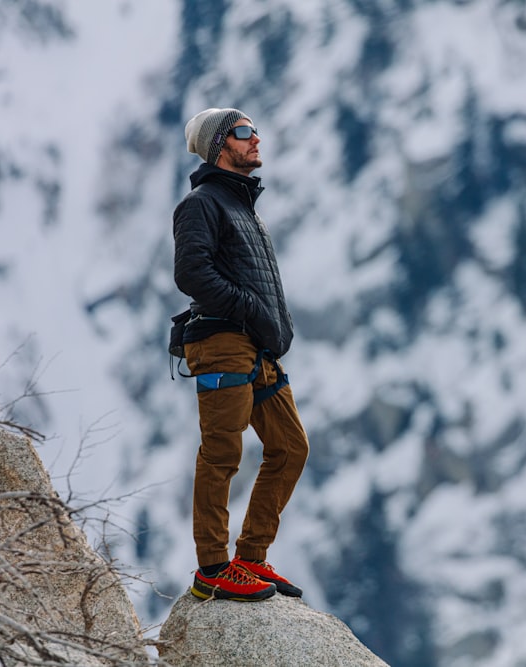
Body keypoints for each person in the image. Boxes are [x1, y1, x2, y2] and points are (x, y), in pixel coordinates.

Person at [173, 107, 309, 601]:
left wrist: (271, 327)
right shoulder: (202, 203)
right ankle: (212, 567)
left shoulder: (242, 207)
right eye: (244, 132)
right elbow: (191, 274)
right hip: (223, 344)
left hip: (256, 347)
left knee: (291, 447)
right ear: (218, 146)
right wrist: (250, 308)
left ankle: (251, 559)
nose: (256, 139)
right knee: (222, 453)